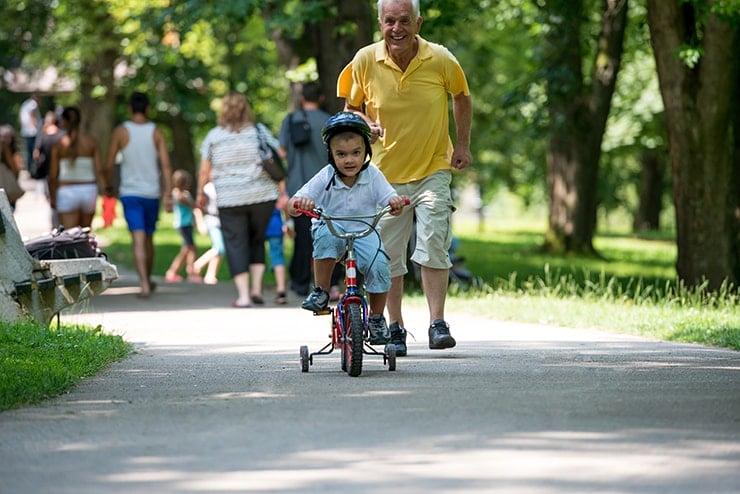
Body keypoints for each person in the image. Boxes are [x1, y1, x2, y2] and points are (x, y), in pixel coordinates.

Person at [337, 0, 473, 355]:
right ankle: (395, 328)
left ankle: (437, 323)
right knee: (387, 255)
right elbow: (351, 107)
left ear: (418, 22)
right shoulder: (365, 59)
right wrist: (366, 125)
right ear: (380, 22)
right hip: (384, 176)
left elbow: (461, 96)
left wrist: (462, 145)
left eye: (404, 21)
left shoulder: (440, 58)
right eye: (390, 21)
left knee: (433, 242)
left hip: (433, 169)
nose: (397, 28)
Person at [287, 112, 407, 344]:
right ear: (331, 155)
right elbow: (292, 206)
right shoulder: (326, 176)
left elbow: (390, 200)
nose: (349, 160)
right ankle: (321, 290)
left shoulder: (373, 175)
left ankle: (376, 318)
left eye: (356, 153)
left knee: (380, 264)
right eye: (341, 154)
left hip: (365, 230)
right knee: (327, 240)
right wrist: (300, 204)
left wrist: (395, 204)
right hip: (332, 227)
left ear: (366, 152)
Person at [196, 92, 284, 308]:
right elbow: (280, 153)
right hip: (262, 195)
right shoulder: (258, 131)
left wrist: (200, 193)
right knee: (257, 240)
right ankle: (256, 289)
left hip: (229, 198)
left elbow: (204, 170)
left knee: (236, 244)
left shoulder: (214, 136)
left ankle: (244, 296)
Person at [104, 91, 173, 299]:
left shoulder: (121, 131)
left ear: (129, 108)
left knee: (138, 238)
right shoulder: (156, 132)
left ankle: (144, 283)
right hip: (151, 193)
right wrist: (168, 193)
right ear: (148, 109)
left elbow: (109, 164)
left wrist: (108, 185)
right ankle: (147, 280)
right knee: (148, 238)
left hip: (130, 192)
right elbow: (166, 165)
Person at [277, 81, 338, 298]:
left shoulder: (291, 120)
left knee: (303, 238)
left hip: (297, 188)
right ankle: (332, 284)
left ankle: (300, 283)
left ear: (302, 98)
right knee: (334, 235)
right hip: (328, 188)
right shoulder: (330, 122)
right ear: (321, 98)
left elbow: (281, 152)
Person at [47, 107, 105, 231]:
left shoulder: (59, 144)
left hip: (66, 191)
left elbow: (53, 175)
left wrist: (52, 196)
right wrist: (105, 189)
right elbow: (99, 170)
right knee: (85, 234)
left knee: (69, 236)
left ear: (63, 121)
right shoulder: (91, 142)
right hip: (88, 190)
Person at [164, 169, 202, 283]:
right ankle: (176, 272)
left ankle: (188, 271)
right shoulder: (178, 194)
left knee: (189, 249)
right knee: (189, 248)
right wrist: (196, 205)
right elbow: (188, 203)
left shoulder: (184, 194)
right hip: (182, 224)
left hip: (187, 224)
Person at [32, 111, 66, 226]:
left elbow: (36, 154)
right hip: (63, 174)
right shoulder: (63, 136)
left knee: (52, 202)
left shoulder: (43, 137)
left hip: (48, 174)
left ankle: (56, 226)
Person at [193, 181, 224, 285]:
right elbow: (198, 207)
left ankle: (211, 275)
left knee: (217, 248)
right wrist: (200, 223)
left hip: (222, 220)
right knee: (219, 248)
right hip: (212, 220)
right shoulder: (208, 188)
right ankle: (197, 265)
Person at [265, 206, 288, 304]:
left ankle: (255, 289)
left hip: (258, 223)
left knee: (256, 257)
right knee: (277, 256)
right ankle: (281, 288)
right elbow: (286, 205)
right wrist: (288, 223)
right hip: (275, 224)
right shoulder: (278, 191)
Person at [0, 125, 24, 210]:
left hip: (9, 193)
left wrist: (6, 151)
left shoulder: (14, 154)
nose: (5, 140)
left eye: (8, 137)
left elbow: (16, 171)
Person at [19, 94, 41, 171]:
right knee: (33, 151)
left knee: (28, 152)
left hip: (25, 131)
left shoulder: (25, 104)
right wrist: (35, 125)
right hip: (32, 132)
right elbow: (32, 114)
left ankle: (29, 169)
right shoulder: (33, 104)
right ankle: (33, 170)